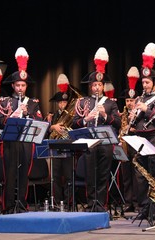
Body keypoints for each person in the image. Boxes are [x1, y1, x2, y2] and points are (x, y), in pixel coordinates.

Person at [72, 47, 121, 212]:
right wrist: (86, 119)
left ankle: (101, 203)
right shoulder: (83, 102)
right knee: (90, 174)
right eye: (94, 85)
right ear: (90, 87)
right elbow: (74, 123)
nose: (97, 88)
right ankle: (91, 201)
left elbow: (118, 123)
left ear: (103, 86)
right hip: (89, 142)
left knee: (103, 174)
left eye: (99, 85)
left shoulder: (110, 102)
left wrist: (105, 116)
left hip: (105, 143)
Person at [0, 47, 43, 214]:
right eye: (18, 85)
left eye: (23, 85)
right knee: (10, 174)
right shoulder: (5, 101)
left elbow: (40, 121)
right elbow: (0, 122)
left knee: (24, 173)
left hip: (26, 142)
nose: (21, 88)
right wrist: (14, 115)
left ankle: (22, 204)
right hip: (10, 141)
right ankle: (8, 205)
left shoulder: (32, 102)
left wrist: (28, 114)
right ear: (13, 86)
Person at [128, 43, 155, 221]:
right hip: (140, 138)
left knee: (154, 175)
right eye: (143, 82)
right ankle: (145, 207)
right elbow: (136, 122)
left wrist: (146, 109)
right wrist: (132, 117)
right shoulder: (139, 98)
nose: (144, 85)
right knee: (140, 176)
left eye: (147, 82)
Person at [47, 73, 74, 209]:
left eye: (65, 102)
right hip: (55, 148)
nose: (63, 104)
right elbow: (47, 131)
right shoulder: (52, 116)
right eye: (61, 102)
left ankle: (69, 203)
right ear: (57, 104)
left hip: (68, 148)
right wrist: (53, 126)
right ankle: (57, 202)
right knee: (56, 177)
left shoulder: (72, 115)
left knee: (69, 177)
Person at [118, 66, 140, 213]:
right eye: (127, 100)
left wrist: (134, 129)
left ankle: (138, 202)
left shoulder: (140, 113)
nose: (129, 103)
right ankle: (128, 202)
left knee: (137, 177)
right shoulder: (123, 114)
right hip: (125, 146)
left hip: (137, 145)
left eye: (132, 100)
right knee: (126, 177)